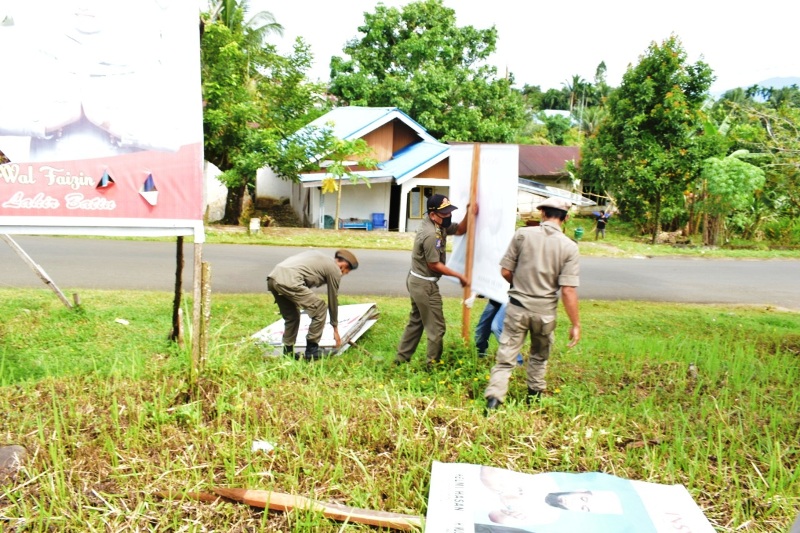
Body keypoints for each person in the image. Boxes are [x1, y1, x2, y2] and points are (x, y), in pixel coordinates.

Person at [485, 197, 580, 410]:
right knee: (539, 356)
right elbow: (568, 289)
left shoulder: (522, 235)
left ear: (542, 214)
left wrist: (519, 284)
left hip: (517, 307)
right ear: (564, 219)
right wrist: (576, 324)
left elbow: (505, 271)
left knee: (505, 359)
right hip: (545, 312)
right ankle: (534, 400)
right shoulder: (569, 247)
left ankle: (493, 402)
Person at [395, 194, 475, 366]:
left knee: (416, 322)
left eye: (449, 212)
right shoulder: (431, 234)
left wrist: (469, 212)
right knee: (437, 328)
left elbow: (460, 230)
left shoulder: (437, 224)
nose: (448, 217)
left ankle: (400, 361)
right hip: (424, 285)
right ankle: (432, 366)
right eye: (444, 214)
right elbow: (434, 265)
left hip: (417, 281)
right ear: (433, 215)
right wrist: (459, 276)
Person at [266, 249, 358, 360]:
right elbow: (333, 298)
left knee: (292, 317)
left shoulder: (318, 258)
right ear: (344, 265)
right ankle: (312, 350)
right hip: (290, 281)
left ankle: (288, 352)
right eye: (348, 270)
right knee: (320, 308)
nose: (346, 273)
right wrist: (335, 328)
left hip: (273, 278)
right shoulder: (334, 269)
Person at [475, 299, 523, 366]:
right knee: (481, 329)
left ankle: (517, 361)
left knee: (497, 327)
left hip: (512, 297)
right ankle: (480, 358)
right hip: (496, 298)